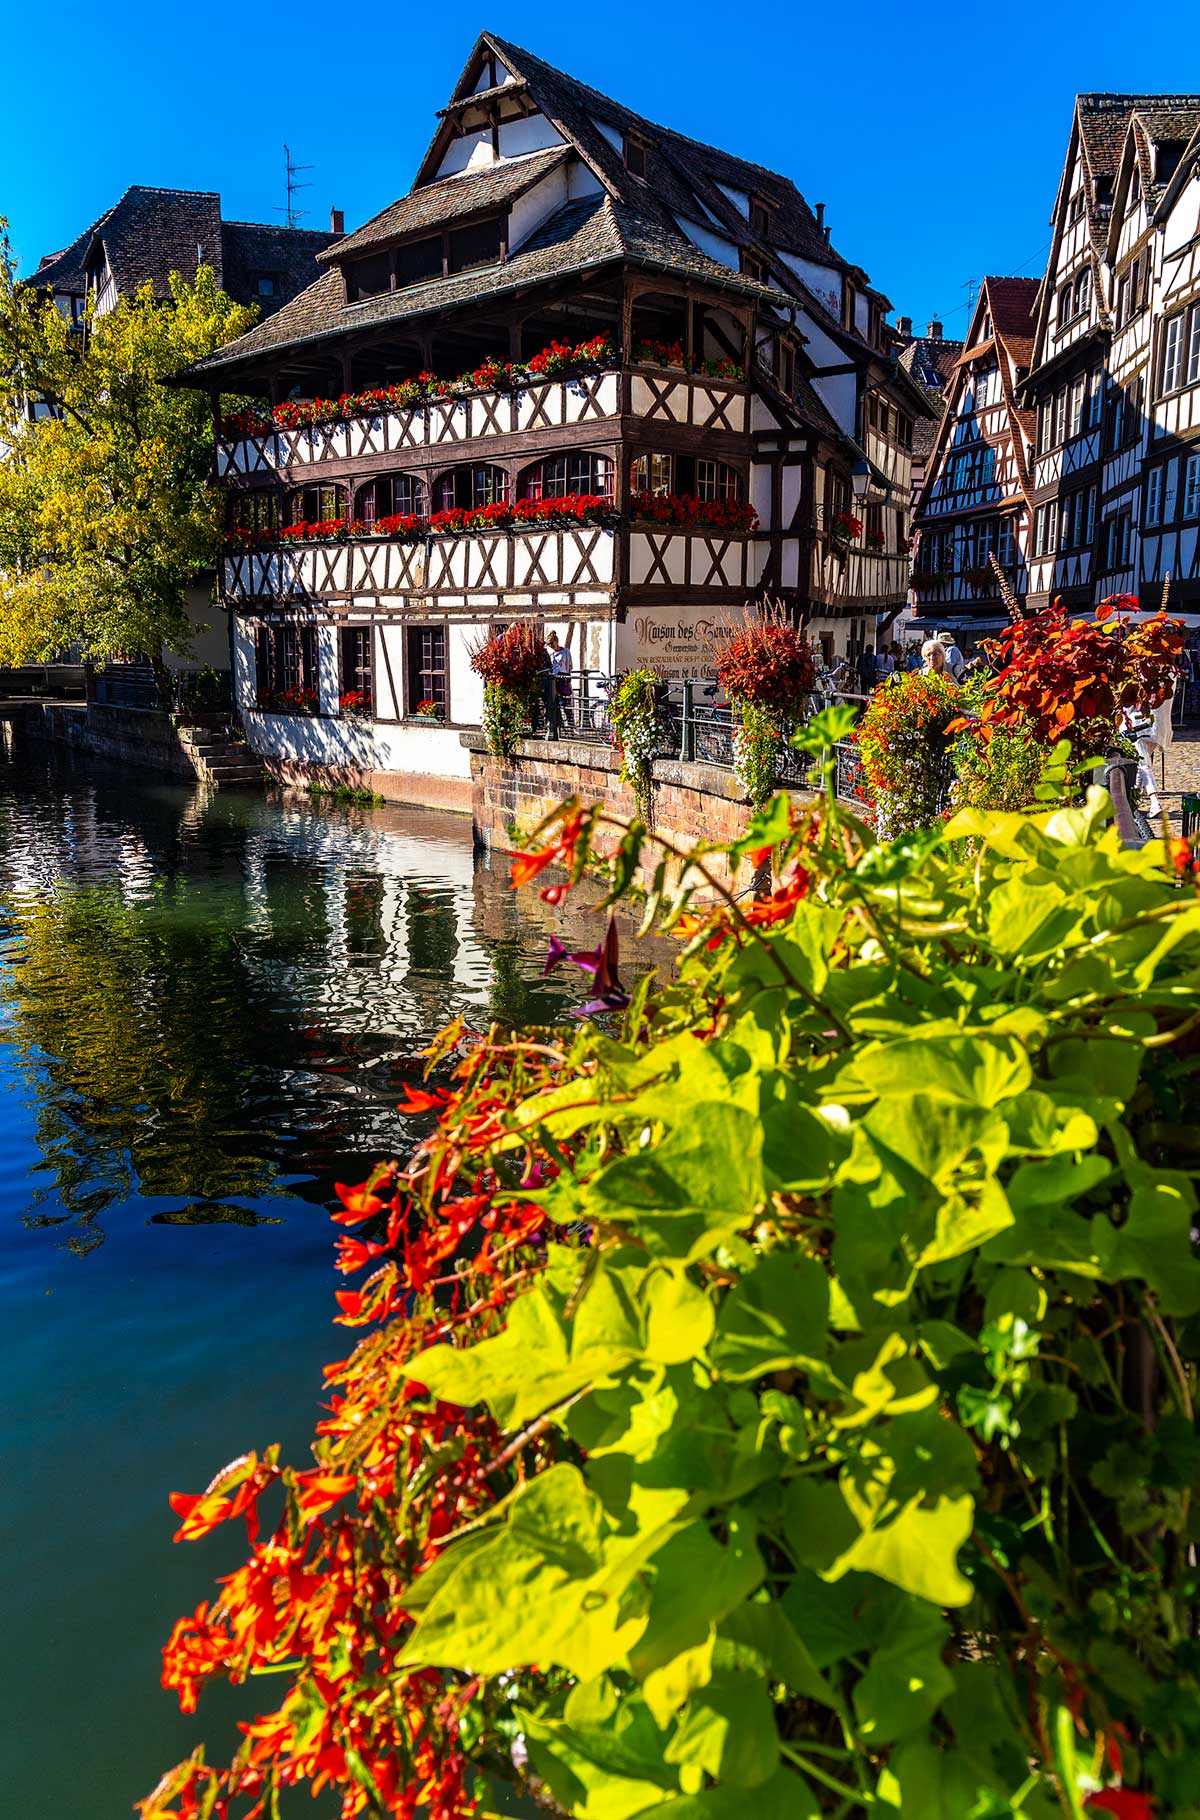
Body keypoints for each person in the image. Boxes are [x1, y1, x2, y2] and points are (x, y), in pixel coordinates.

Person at [546, 630, 575, 735]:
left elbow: (569, 666)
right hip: (554, 679)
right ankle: (558, 728)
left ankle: (571, 727)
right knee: (554, 703)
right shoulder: (550, 653)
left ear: (556, 641)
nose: (551, 646)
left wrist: (568, 678)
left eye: (551, 643)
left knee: (566, 703)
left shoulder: (565, 652)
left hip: (563, 678)